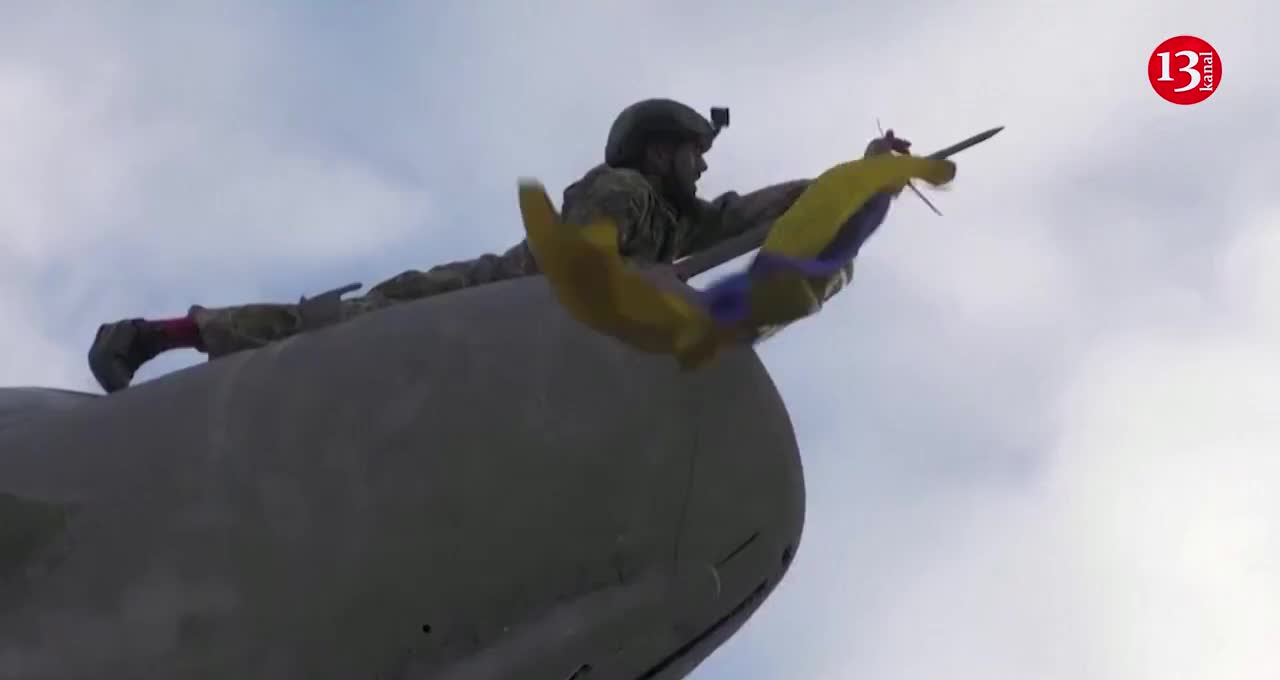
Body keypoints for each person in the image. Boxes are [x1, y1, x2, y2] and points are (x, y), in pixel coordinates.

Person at [88, 98, 911, 393]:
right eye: (692, 151)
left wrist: (858, 178)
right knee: (331, 330)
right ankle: (156, 336)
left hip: (524, 331)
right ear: (658, 152)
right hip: (483, 304)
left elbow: (754, 214)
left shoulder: (678, 219)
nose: (701, 167)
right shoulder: (622, 193)